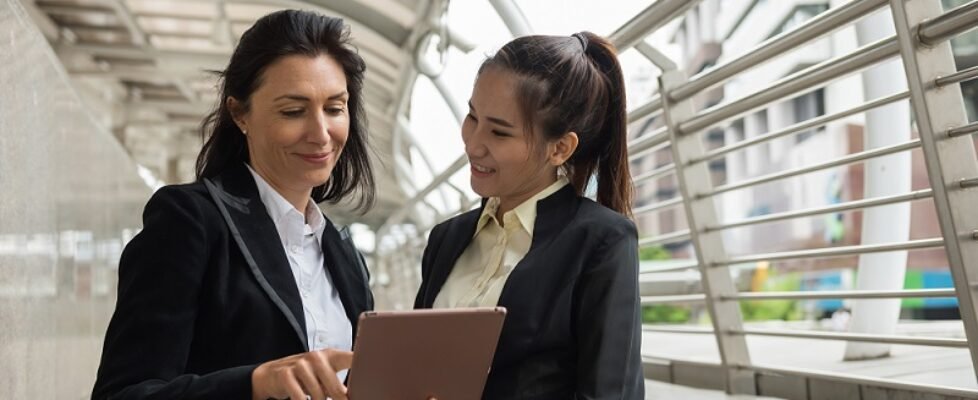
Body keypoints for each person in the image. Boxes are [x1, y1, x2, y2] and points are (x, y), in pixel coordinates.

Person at [92, 9, 375, 400]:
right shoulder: (189, 222)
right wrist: (255, 383)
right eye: (293, 111)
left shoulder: (345, 256)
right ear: (240, 113)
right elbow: (121, 393)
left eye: (334, 108)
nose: (321, 133)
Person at [415, 32, 644, 399]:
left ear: (560, 148)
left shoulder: (601, 241)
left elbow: (610, 392)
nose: (473, 144)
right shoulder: (446, 239)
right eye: (472, 116)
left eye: (499, 132)